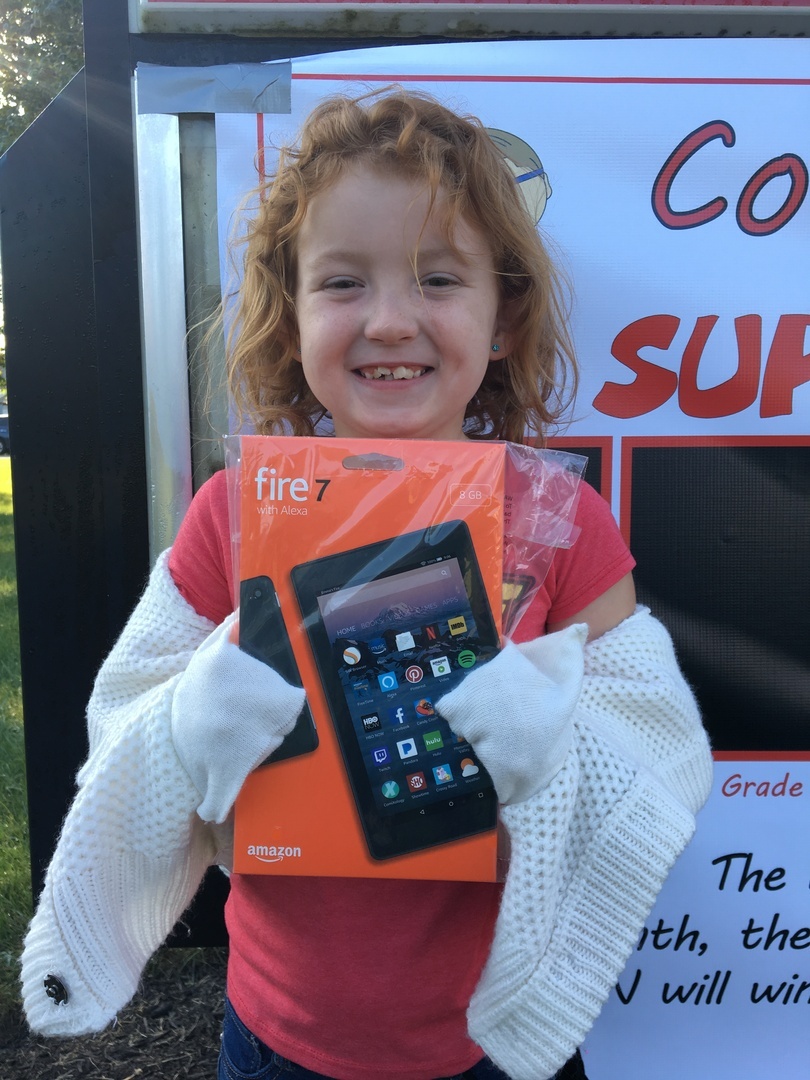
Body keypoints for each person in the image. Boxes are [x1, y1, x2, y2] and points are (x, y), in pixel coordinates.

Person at [20, 89, 713, 1080]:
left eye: (439, 278)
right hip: (278, 1032)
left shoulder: (562, 522)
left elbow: (658, 754)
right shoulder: (234, 513)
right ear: (292, 315)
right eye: (343, 283)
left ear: (504, 316)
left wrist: (551, 744)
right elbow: (122, 738)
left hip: (494, 1038)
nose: (390, 321)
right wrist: (191, 724)